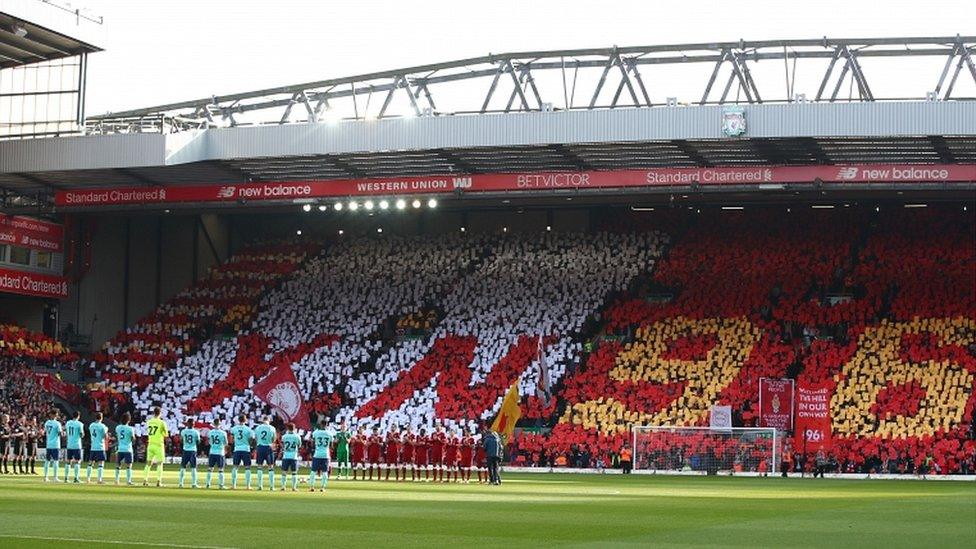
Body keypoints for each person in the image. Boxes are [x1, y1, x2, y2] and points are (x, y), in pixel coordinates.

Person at [143, 406, 168, 487]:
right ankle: (158, 481)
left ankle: (145, 480)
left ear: (154, 413)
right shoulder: (161, 422)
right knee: (160, 464)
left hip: (150, 444)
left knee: (148, 464)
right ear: (160, 413)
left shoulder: (149, 421)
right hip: (158, 445)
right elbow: (166, 434)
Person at [230, 414, 254, 490]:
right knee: (247, 467)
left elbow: (231, 438)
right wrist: (251, 445)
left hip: (237, 449)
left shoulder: (234, 428)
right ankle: (248, 486)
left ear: (238, 420)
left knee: (235, 467)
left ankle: (233, 485)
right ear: (245, 420)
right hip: (246, 449)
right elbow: (252, 439)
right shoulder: (248, 429)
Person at [309, 421, 334, 492]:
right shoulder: (329, 433)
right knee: (325, 472)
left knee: (313, 471)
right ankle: (322, 488)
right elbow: (332, 446)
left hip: (317, 454)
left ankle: (312, 487)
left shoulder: (316, 433)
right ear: (326, 425)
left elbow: (312, 444)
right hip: (326, 455)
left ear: (320, 425)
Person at [253, 416, 277, 491]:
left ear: (263, 420)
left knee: (259, 466)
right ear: (269, 420)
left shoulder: (258, 428)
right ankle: (271, 486)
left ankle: (260, 486)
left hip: (260, 447)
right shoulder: (272, 428)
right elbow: (274, 438)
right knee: (270, 467)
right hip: (268, 447)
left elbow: (256, 438)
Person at [86, 412, 108, 484]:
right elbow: (105, 436)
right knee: (101, 463)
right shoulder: (102, 426)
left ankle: (88, 479)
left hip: (93, 446)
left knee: (90, 463)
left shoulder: (91, 425)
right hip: (100, 446)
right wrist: (106, 431)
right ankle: (99, 479)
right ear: (101, 418)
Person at [205, 419, 228, 490]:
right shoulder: (223, 433)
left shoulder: (210, 432)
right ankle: (221, 485)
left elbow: (209, 442)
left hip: (212, 451)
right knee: (221, 470)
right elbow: (226, 443)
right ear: (220, 424)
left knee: (210, 469)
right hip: (220, 452)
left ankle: (208, 484)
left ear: (213, 424)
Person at [178, 419, 201, 488]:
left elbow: (181, 441)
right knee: (193, 467)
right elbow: (198, 442)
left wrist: (186, 444)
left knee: (183, 466)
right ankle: (194, 483)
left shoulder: (183, 431)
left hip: (185, 450)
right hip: (192, 450)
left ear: (187, 424)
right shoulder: (196, 432)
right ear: (193, 424)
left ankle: (181, 483)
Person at [114, 412, 135, 485]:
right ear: (129, 420)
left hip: (120, 448)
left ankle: (117, 480)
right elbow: (133, 439)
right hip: (128, 449)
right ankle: (128, 481)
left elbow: (118, 436)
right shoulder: (130, 429)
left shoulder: (118, 427)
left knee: (118, 465)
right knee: (129, 465)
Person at [280, 423, 301, 492]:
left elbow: (282, 445)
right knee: (294, 473)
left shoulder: (284, 436)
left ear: (287, 428)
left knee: (284, 472)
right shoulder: (297, 436)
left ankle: (283, 487)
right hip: (294, 456)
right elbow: (299, 445)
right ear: (294, 428)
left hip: (286, 456)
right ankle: (294, 488)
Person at [43, 408, 63, 483]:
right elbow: (60, 433)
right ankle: (55, 477)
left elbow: (45, 432)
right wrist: (63, 433)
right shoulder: (57, 423)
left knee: (47, 461)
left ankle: (45, 477)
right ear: (56, 415)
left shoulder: (47, 423)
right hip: (55, 444)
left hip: (48, 444)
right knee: (55, 461)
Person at [64, 410, 85, 483]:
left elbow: (66, 431)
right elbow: (82, 434)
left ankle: (66, 478)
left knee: (68, 461)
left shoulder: (68, 423)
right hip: (76, 444)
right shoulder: (80, 424)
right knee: (77, 461)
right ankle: (76, 478)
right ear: (78, 416)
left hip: (69, 444)